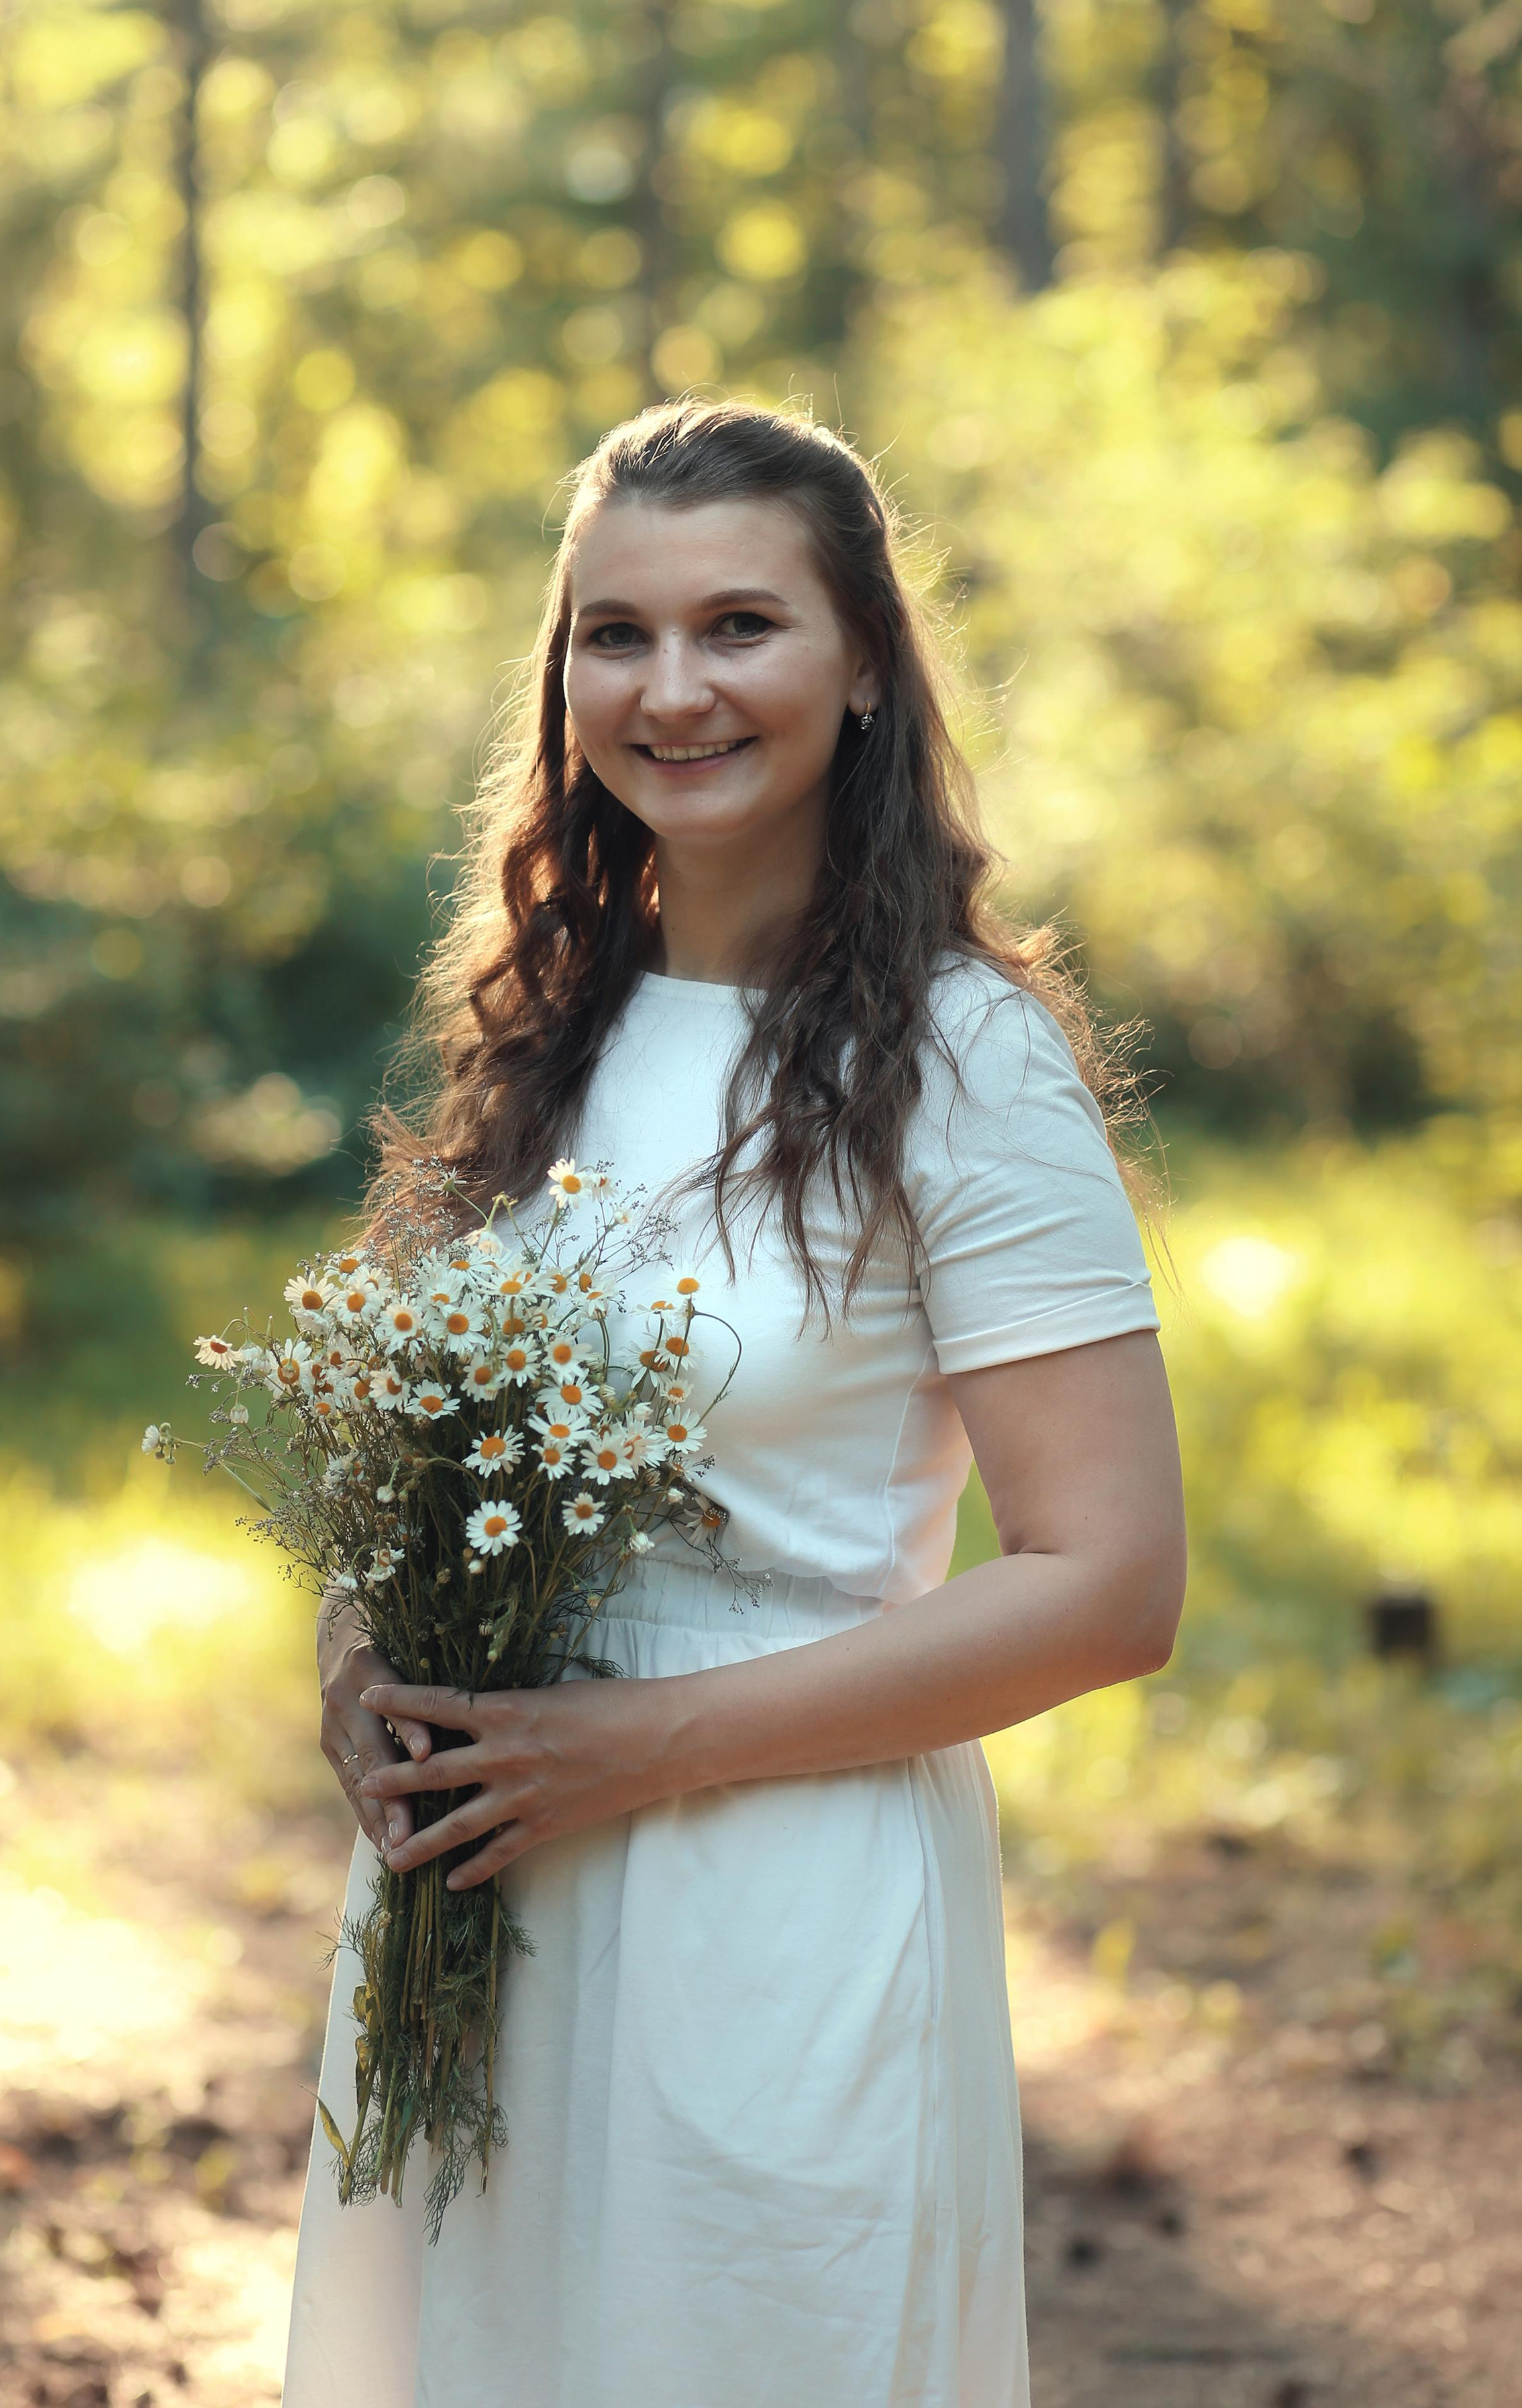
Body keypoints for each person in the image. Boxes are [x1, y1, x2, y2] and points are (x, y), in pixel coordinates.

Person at [283, 399, 1186, 2408]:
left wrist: (636, 1747)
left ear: (865, 664)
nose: (671, 689)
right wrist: (358, 1655)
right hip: (481, 1906)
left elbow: (1114, 1581)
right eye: (616, 635)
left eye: (741, 627)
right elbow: (412, 1465)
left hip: (773, 1897)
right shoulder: (547, 1025)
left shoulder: (963, 1058)